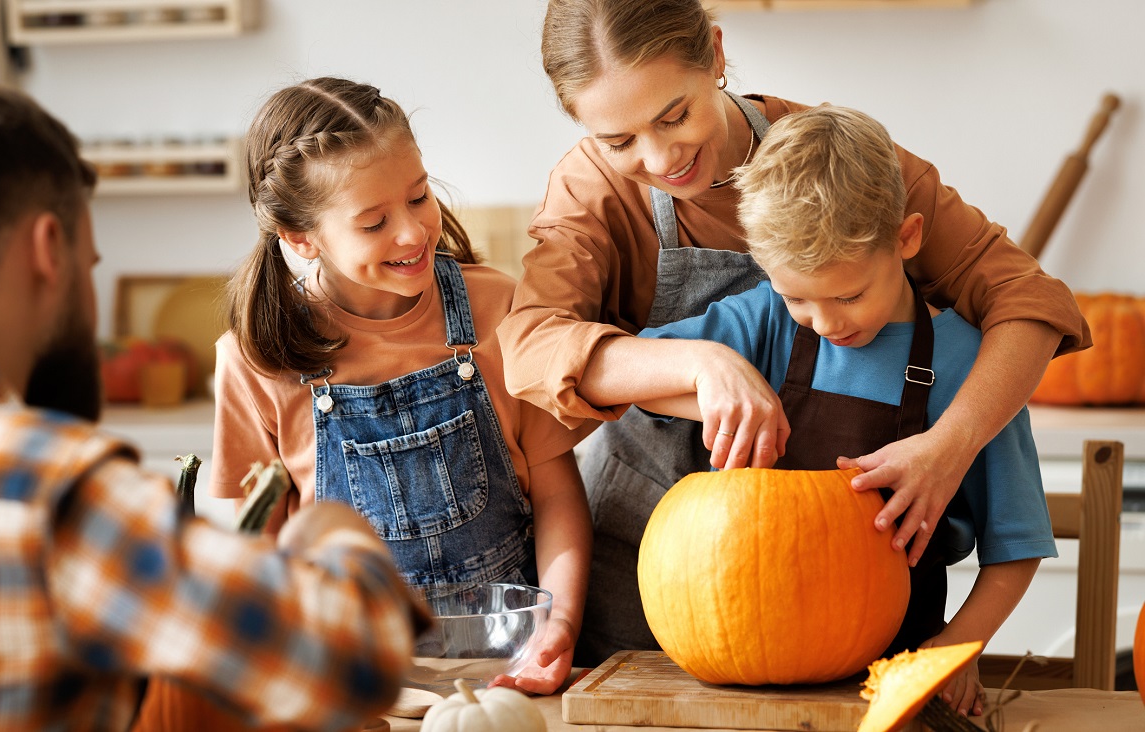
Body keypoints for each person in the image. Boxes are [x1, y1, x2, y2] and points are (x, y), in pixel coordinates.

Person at [496, 0, 1089, 668]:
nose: (660, 158)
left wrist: (950, 445)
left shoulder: (834, 167)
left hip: (840, 586)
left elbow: (1028, 301)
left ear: (715, 56)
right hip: (651, 553)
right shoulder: (590, 187)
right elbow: (532, 347)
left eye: (675, 115)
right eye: (619, 140)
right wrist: (704, 365)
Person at [0, 83, 428, 730]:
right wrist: (328, 531)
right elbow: (359, 658)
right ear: (48, 249)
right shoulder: (39, 489)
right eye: (90, 265)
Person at [587, 104, 1057, 716]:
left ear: (907, 238)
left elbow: (1015, 544)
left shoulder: (971, 367)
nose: (828, 322)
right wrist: (710, 368)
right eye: (799, 297)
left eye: (850, 294)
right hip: (742, 665)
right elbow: (622, 374)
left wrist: (955, 649)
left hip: (893, 679)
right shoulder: (765, 320)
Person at [209, 77, 592, 695]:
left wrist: (561, 622)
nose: (412, 233)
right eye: (373, 222)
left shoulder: (498, 309)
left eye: (418, 198)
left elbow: (556, 492)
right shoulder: (258, 361)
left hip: (511, 674)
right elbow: (260, 547)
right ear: (300, 237)